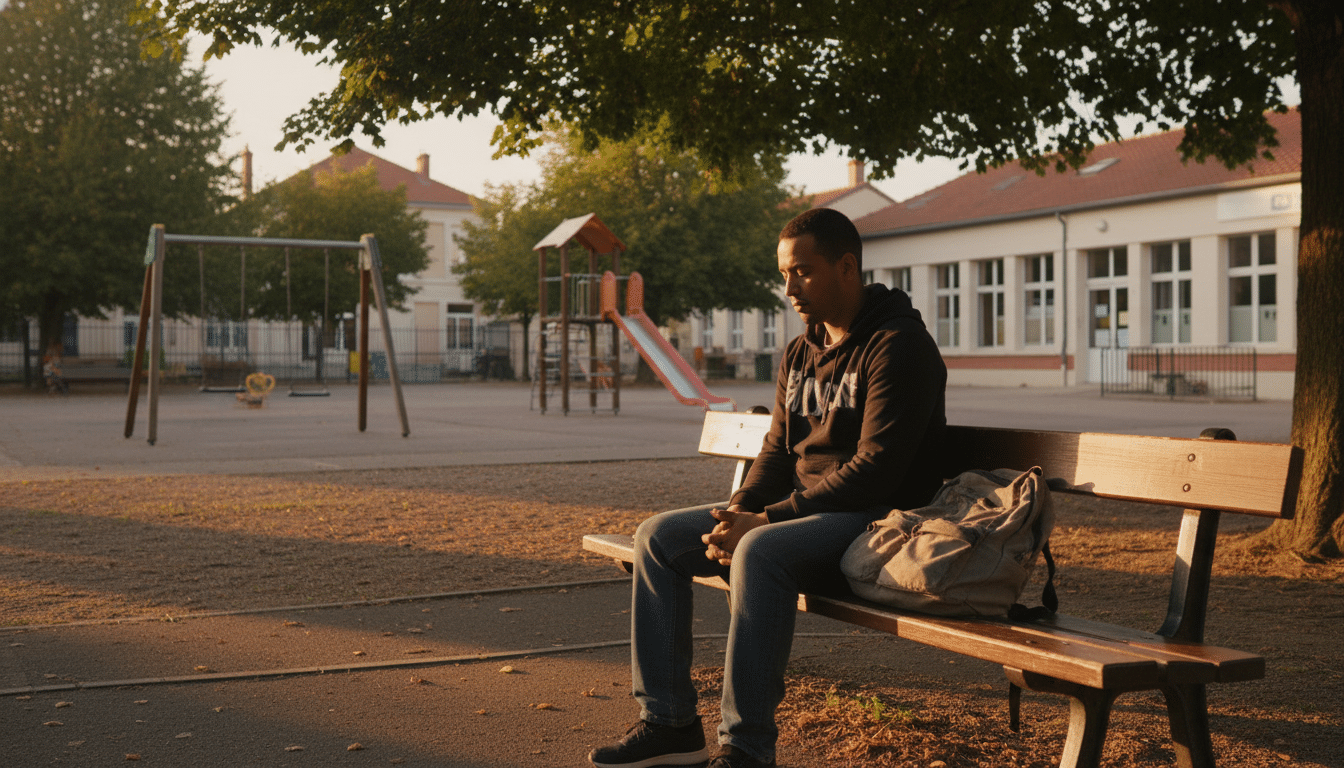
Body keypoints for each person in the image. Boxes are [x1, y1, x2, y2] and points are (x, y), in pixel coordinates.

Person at [589, 208, 947, 768]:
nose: (789, 288)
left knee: (761, 550)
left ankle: (746, 750)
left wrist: (768, 521)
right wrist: (739, 509)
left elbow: (879, 468)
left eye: (802, 272)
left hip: (878, 520)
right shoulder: (800, 353)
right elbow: (777, 450)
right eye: (784, 273)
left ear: (846, 267)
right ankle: (669, 723)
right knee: (657, 537)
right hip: (804, 513)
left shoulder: (899, 346)